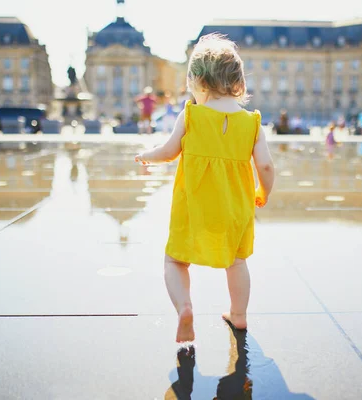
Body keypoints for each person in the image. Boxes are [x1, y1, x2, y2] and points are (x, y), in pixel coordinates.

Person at [134, 33, 275, 342]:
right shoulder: (252, 123)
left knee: (175, 260)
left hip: (193, 205)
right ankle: (238, 315)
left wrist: (146, 156)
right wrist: (264, 191)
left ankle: (185, 307)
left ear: (197, 82)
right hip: (234, 207)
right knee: (237, 262)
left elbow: (169, 151)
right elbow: (265, 166)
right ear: (238, 82)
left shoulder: (191, 115)